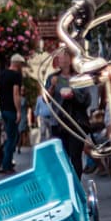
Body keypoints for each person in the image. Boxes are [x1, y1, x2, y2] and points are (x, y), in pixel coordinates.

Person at [43, 48, 89, 176]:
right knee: (61, 157)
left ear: (71, 60)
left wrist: (73, 94)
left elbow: (86, 100)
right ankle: (65, 187)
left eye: (65, 57)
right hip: (59, 123)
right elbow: (46, 99)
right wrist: (52, 86)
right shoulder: (53, 78)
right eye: (61, 58)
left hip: (76, 122)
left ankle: (76, 187)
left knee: (75, 157)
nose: (63, 60)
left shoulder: (79, 78)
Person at [0, 52, 26, 174]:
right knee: (12, 138)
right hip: (12, 110)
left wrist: (2, 101)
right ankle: (5, 164)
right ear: (17, 64)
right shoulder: (16, 76)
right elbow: (16, 94)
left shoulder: (1, 75)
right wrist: (18, 111)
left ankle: (7, 161)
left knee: (9, 135)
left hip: (3, 109)